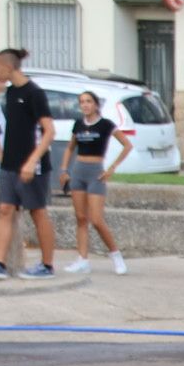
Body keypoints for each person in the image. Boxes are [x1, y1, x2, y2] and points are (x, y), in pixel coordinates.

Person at [0, 48, 58, 280]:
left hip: (33, 165)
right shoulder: (10, 94)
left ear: (8, 67)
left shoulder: (35, 93)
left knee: (38, 212)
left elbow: (49, 131)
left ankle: (47, 265)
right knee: (4, 209)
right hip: (9, 164)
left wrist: (32, 161)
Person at [59, 90, 132, 275]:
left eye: (88, 101)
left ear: (95, 104)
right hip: (78, 172)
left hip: (95, 173)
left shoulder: (105, 125)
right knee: (81, 218)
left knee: (97, 219)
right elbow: (70, 148)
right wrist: (64, 169)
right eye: (82, 102)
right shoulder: (78, 124)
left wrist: (112, 168)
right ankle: (82, 259)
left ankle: (116, 255)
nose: (85, 105)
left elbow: (127, 145)